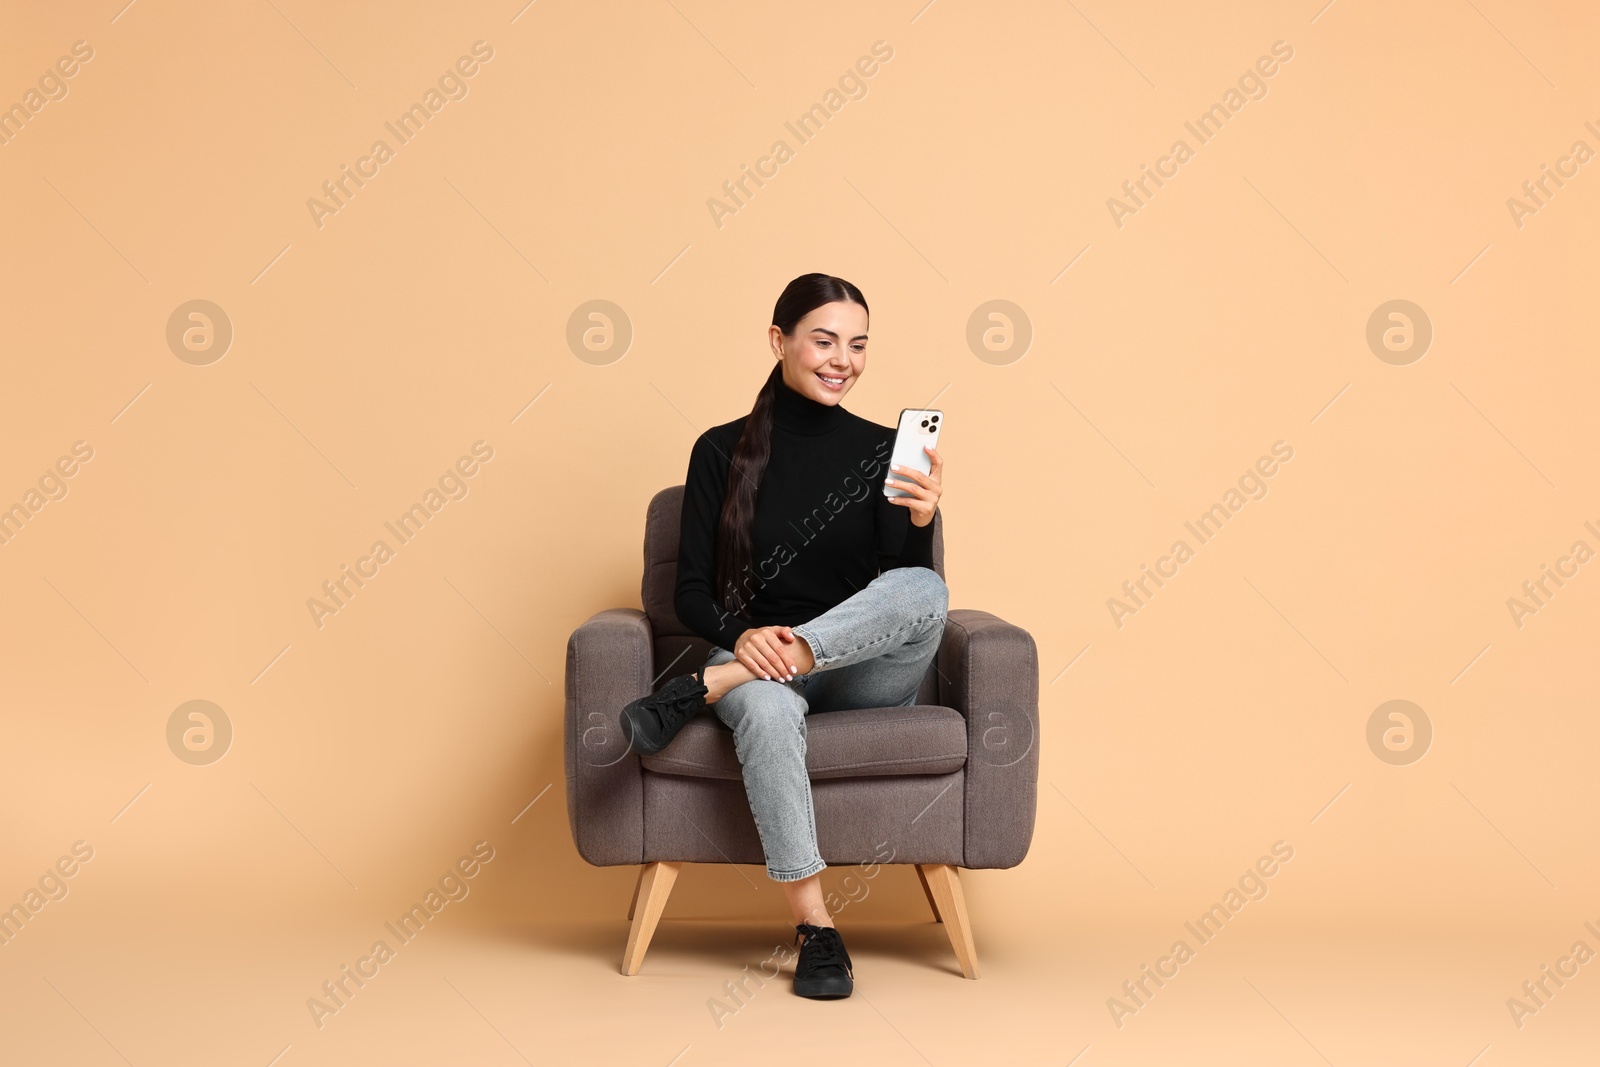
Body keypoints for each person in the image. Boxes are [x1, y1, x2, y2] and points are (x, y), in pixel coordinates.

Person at [617, 272, 948, 1000]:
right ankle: (816, 930)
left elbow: (905, 596)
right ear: (780, 340)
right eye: (825, 340)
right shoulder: (719, 451)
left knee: (928, 586)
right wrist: (745, 640)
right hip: (756, 662)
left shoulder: (887, 450)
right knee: (766, 706)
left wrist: (920, 525)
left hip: (861, 676)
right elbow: (691, 594)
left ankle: (710, 686)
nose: (843, 359)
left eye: (858, 345)